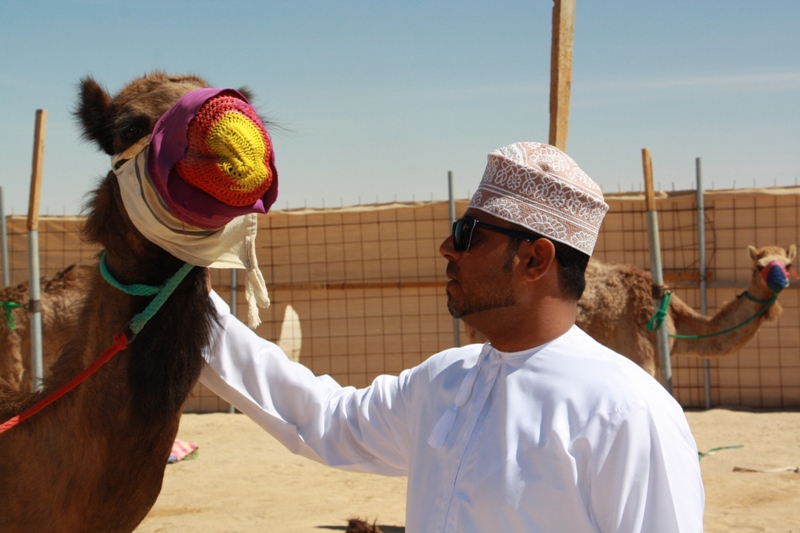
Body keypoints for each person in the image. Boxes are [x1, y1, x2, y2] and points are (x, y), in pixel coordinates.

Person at [199, 141, 705, 532]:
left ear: (535, 259)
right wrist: (195, 312)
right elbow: (323, 419)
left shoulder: (628, 414)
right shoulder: (445, 380)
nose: (447, 247)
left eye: (469, 235)